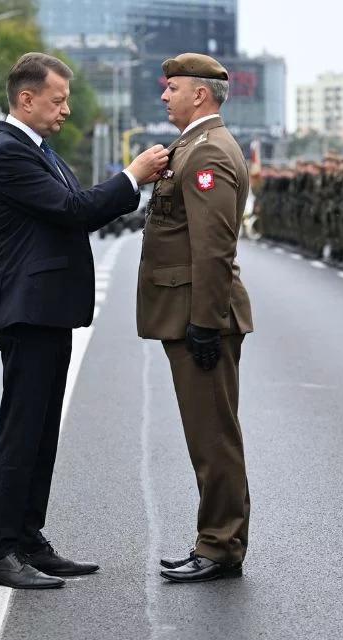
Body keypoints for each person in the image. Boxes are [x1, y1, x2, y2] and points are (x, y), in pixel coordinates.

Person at [0, 52, 168, 589]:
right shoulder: (9, 154)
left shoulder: (40, 151)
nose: (65, 109)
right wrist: (131, 175)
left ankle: (28, 537)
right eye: (58, 100)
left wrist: (125, 191)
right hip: (27, 310)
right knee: (21, 432)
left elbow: (80, 206)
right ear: (26, 99)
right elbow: (74, 211)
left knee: (41, 434)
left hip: (47, 309)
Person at [137, 53, 254, 583]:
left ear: (200, 95)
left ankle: (221, 544)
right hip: (190, 311)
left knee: (212, 437)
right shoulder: (191, 148)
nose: (165, 95)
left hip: (199, 314)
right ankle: (217, 540)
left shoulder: (207, 154)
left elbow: (212, 248)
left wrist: (205, 321)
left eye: (173, 87)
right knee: (206, 433)